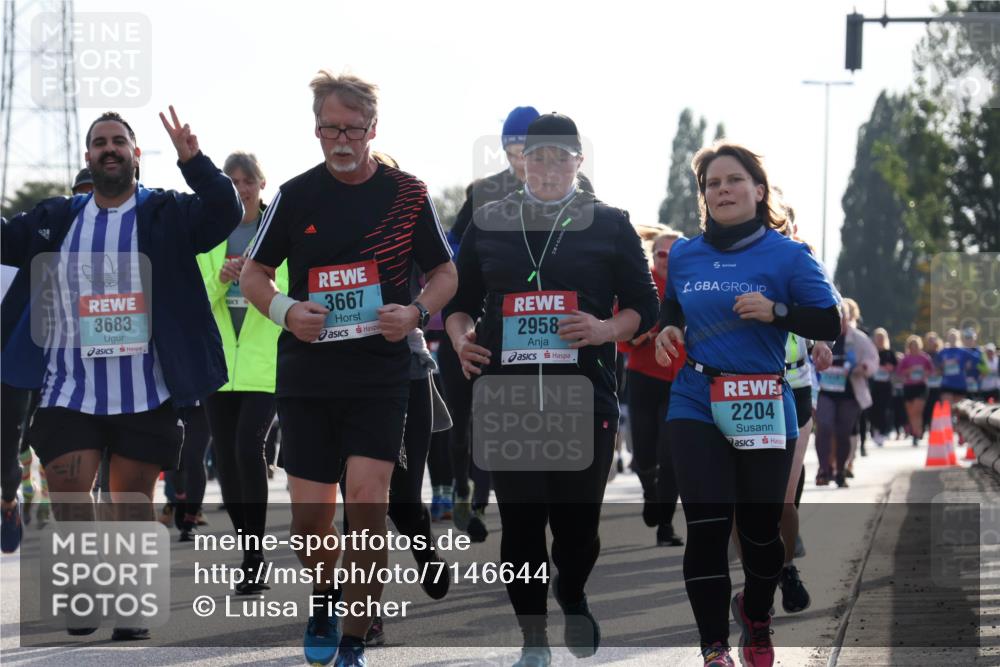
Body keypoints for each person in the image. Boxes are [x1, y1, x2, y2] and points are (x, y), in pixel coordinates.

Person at [0, 107, 242, 638]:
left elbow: (225, 211)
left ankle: (131, 608)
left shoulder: (167, 214)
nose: (109, 149)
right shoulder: (56, 218)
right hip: (69, 386)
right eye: (99, 142)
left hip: (144, 388)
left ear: (135, 154)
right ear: (88, 157)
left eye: (119, 141)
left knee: (131, 505)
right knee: (69, 493)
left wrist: (194, 160)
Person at [240, 71, 456, 667]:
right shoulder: (293, 194)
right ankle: (324, 597)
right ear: (316, 130)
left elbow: (445, 274)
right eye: (331, 127)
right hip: (308, 374)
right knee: (312, 523)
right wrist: (286, 311)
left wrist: (414, 311)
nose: (341, 138)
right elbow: (256, 275)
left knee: (366, 501)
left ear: (372, 130)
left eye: (352, 128)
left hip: (379, 372)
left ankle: (357, 642)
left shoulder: (408, 194)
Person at [446, 112, 659, 667]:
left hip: (583, 397)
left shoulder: (610, 223)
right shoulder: (489, 220)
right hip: (506, 395)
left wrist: (607, 329)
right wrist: (461, 337)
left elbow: (646, 304)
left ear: (577, 161)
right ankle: (533, 639)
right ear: (520, 161)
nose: (545, 168)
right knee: (520, 525)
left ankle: (573, 589)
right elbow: (458, 300)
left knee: (577, 529)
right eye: (535, 157)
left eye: (558, 157)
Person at [653, 142, 840, 667]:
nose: (723, 190)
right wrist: (669, 326)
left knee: (760, 532)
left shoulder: (788, 256)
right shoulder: (687, 253)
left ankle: (756, 615)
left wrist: (776, 310)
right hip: (696, 398)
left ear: (759, 191)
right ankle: (713, 646)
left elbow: (830, 323)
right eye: (713, 184)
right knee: (708, 526)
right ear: (704, 197)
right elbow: (673, 305)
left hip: (762, 396)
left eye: (734, 180)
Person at [443, 106, 596, 541]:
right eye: (512, 148)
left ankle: (513, 509)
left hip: (562, 340)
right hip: (493, 329)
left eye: (522, 147)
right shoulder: (484, 192)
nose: (518, 157)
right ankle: (464, 490)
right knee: (469, 416)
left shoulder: (577, 188)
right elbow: (455, 252)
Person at [195, 151, 286, 580]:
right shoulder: (210, 234)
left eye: (246, 180)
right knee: (227, 461)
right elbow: (194, 293)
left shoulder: (277, 226)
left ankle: (257, 553)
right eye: (231, 182)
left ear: (260, 183)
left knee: (249, 449)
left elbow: (289, 288)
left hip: (263, 364)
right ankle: (248, 549)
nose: (240, 189)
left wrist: (253, 276)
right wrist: (222, 278)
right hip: (217, 367)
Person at [617, 230, 685, 546]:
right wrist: (645, 333)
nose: (668, 260)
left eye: (675, 254)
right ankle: (649, 489)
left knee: (671, 454)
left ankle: (666, 526)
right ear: (653, 256)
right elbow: (622, 339)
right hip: (645, 377)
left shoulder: (693, 285)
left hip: (683, 381)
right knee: (644, 450)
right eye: (661, 255)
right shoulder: (640, 286)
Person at [814, 298, 878, 487]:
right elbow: (808, 357)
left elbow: (873, 359)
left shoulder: (859, 339)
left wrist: (863, 367)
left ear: (848, 319)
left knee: (843, 433)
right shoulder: (821, 336)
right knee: (823, 427)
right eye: (837, 317)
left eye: (843, 318)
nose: (840, 322)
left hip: (850, 394)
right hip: (826, 392)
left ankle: (840, 470)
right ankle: (824, 469)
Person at [896, 335, 933, 446]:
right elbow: (899, 372)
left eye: (916, 345)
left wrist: (925, 373)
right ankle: (914, 431)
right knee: (911, 412)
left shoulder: (924, 358)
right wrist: (908, 371)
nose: (914, 348)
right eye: (912, 346)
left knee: (918, 410)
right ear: (909, 347)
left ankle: (918, 432)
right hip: (909, 386)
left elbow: (931, 370)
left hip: (921, 386)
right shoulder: (905, 359)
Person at [868, 328, 897, 446]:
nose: (879, 340)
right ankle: (873, 429)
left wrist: (889, 368)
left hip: (885, 385)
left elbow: (895, 366)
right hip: (872, 385)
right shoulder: (870, 351)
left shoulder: (889, 353)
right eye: (877, 338)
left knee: (884, 408)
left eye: (882, 338)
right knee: (872, 408)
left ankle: (882, 431)